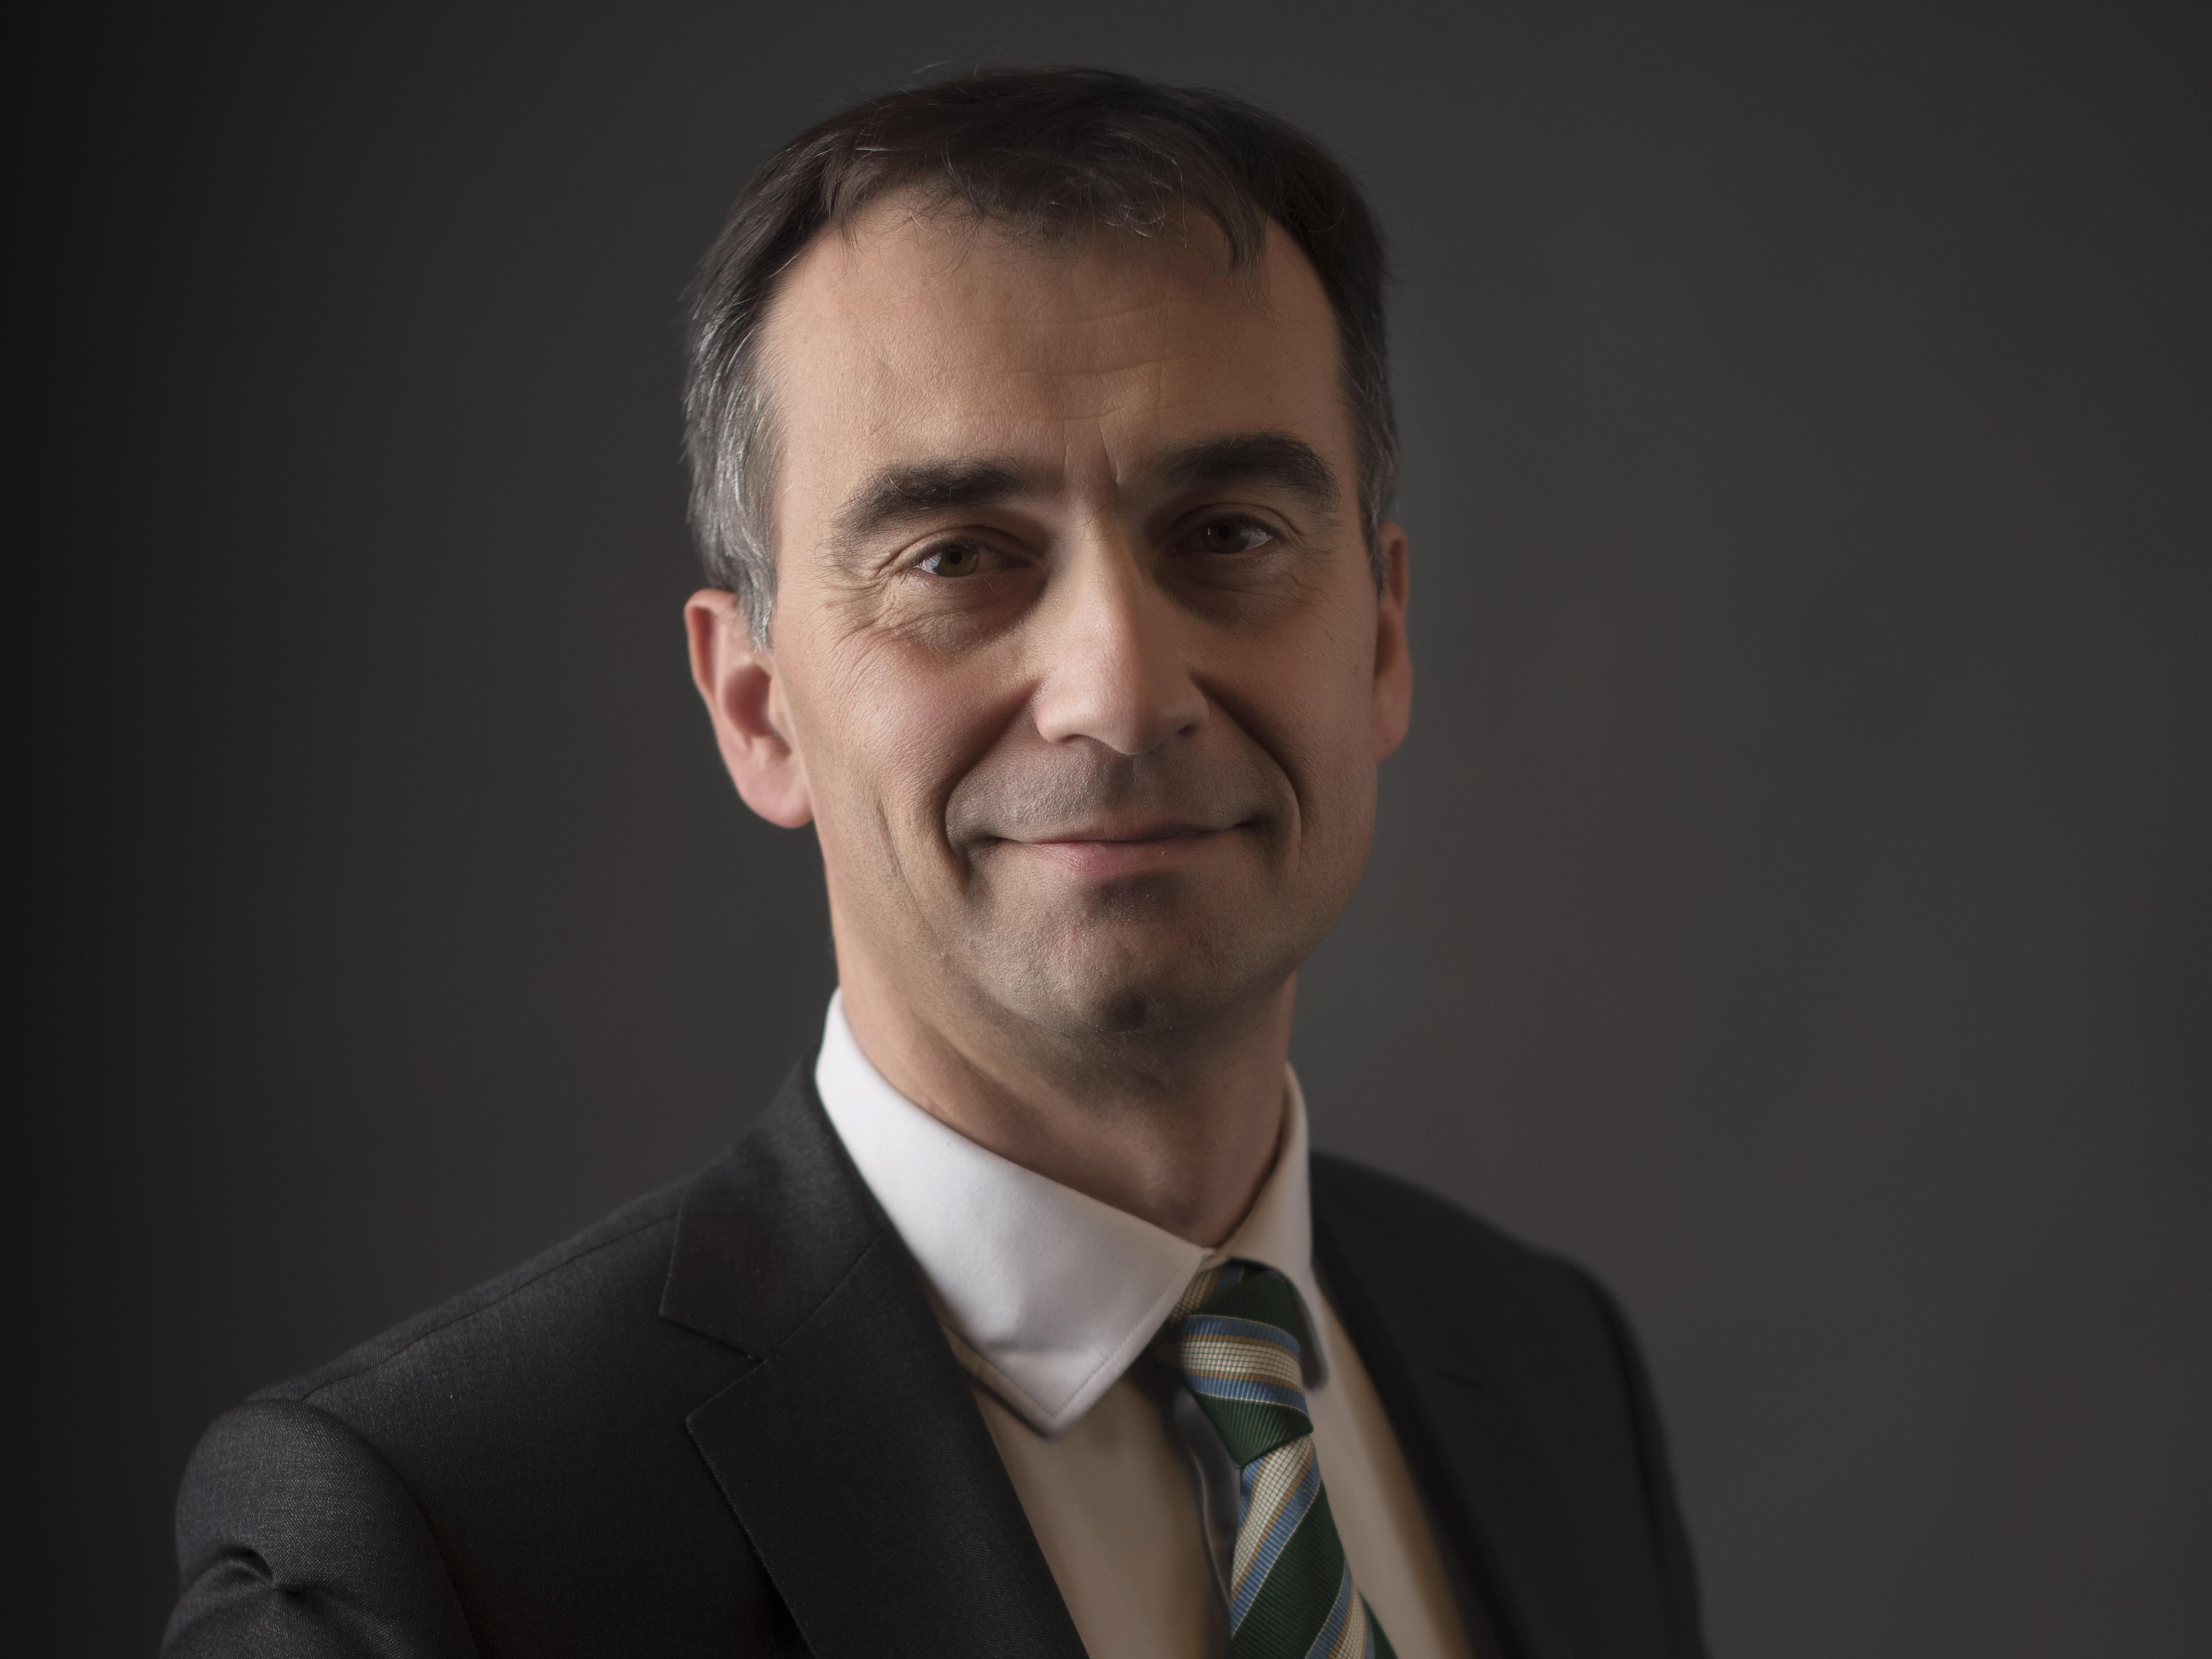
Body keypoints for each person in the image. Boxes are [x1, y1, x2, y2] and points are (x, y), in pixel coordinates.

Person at [166, 67, 1705, 1659]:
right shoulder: (433, 1544)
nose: (1121, 691)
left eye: (1230, 533)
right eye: (956, 557)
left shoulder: (1546, 1369)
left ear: (1380, 638)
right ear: (756, 707)